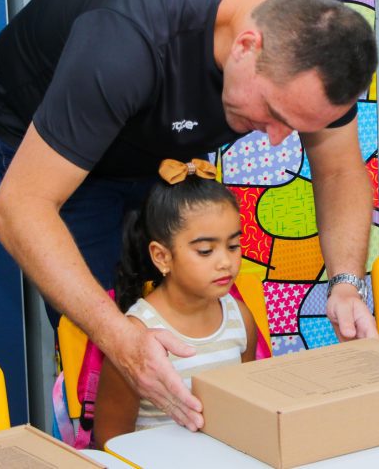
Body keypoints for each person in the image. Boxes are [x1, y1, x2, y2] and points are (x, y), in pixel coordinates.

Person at [0, 0, 378, 432]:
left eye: (299, 126)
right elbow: (19, 207)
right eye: (276, 113)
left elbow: (340, 167)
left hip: (155, 132)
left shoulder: (319, 29)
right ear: (246, 47)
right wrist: (119, 338)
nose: (279, 141)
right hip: (53, 133)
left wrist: (346, 283)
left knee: (178, 301)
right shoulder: (126, 40)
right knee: (108, 330)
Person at [94, 159, 257, 446]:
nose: (226, 262)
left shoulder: (239, 318)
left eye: (233, 246)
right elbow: (111, 441)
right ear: (162, 257)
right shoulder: (135, 336)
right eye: (206, 251)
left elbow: (244, 410)